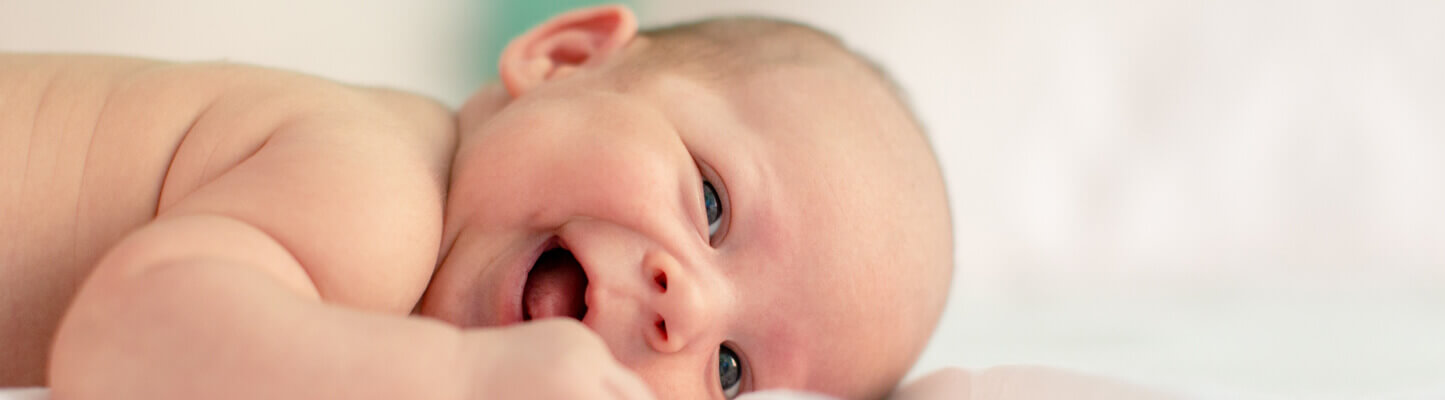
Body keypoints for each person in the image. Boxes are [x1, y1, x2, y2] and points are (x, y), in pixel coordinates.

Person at [0, 4, 953, 399]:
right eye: (710, 204)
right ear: (565, 59)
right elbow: (121, 341)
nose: (687, 310)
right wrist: (467, 380)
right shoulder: (381, 192)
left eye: (732, 374)